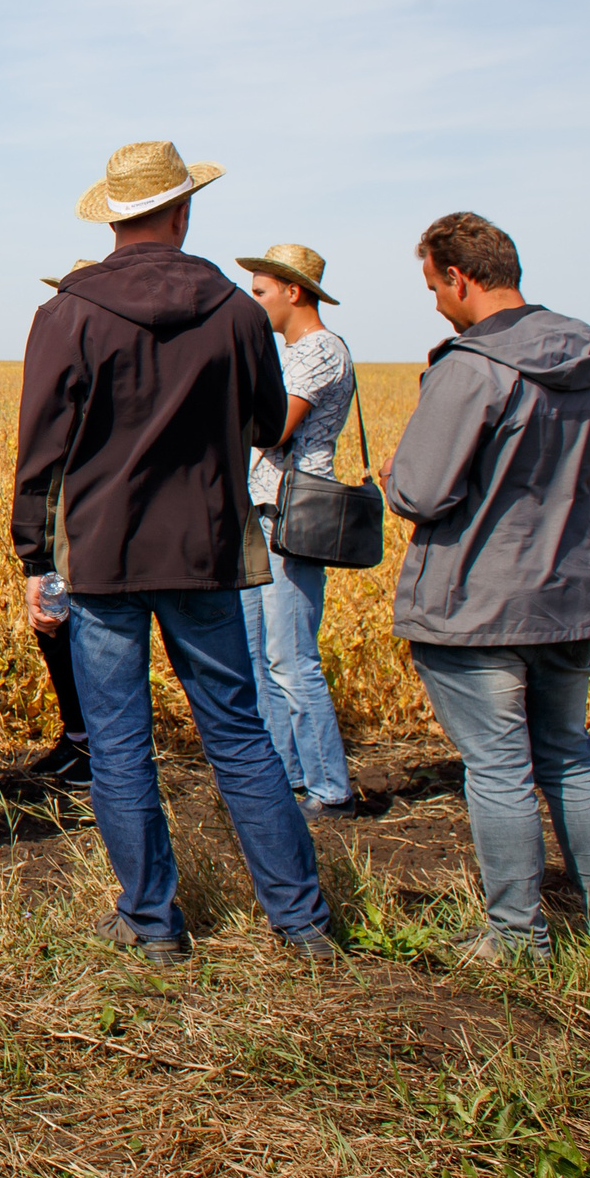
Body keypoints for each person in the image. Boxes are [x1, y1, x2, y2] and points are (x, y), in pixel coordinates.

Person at [14, 142, 335, 964]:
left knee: (119, 744)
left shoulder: (67, 313)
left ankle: (153, 923)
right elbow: (267, 422)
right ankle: (301, 922)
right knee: (239, 732)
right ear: (183, 212)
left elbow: (41, 451)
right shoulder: (236, 311)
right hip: (207, 550)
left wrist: (33, 560)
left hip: (104, 558)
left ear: (113, 217)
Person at [385, 212, 590, 960]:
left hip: (478, 603)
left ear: (458, 277)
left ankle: (517, 935)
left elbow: (422, 491)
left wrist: (396, 475)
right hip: (568, 595)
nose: (437, 303)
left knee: (498, 768)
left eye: (434, 287)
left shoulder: (472, 367)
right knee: (570, 758)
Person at [234, 243, 358, 817]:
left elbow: (274, 428)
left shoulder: (319, 350)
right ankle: (285, 778)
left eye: (260, 292)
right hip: (267, 511)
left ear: (294, 291)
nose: (253, 302)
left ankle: (330, 789)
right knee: (260, 655)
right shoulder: (294, 351)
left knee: (290, 657)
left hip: (293, 514)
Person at [23, 261, 99, 791]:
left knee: (76, 634)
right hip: (62, 527)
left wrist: (35, 550)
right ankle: (77, 737)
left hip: (74, 529)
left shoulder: (79, 351)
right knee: (54, 632)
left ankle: (93, 749)